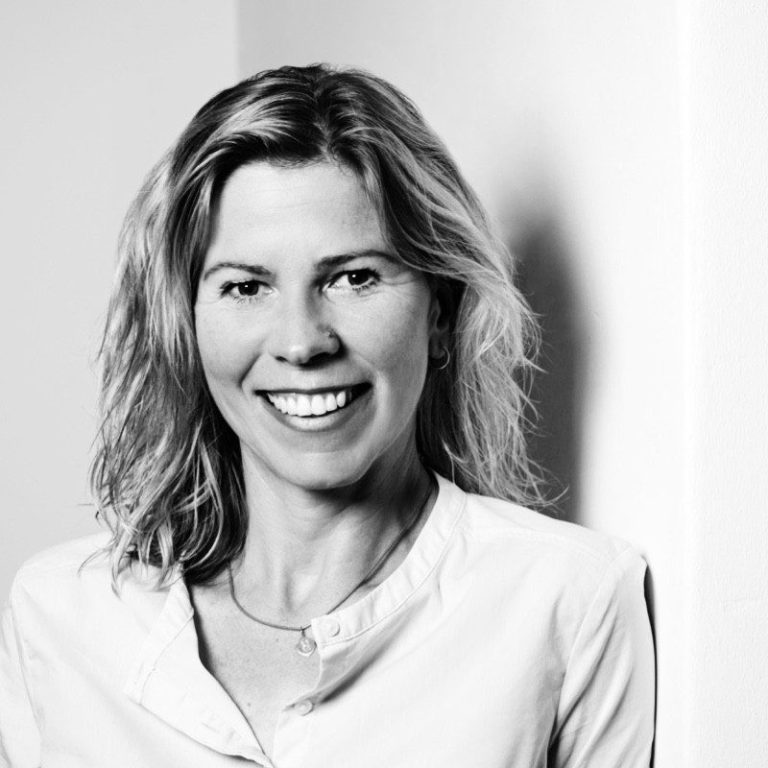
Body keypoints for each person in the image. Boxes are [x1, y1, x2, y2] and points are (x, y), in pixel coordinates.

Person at [0, 64, 654, 767]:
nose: (301, 342)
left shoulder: (568, 603)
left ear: (440, 313)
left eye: (353, 278)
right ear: (186, 324)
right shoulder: (59, 618)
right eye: (246, 287)